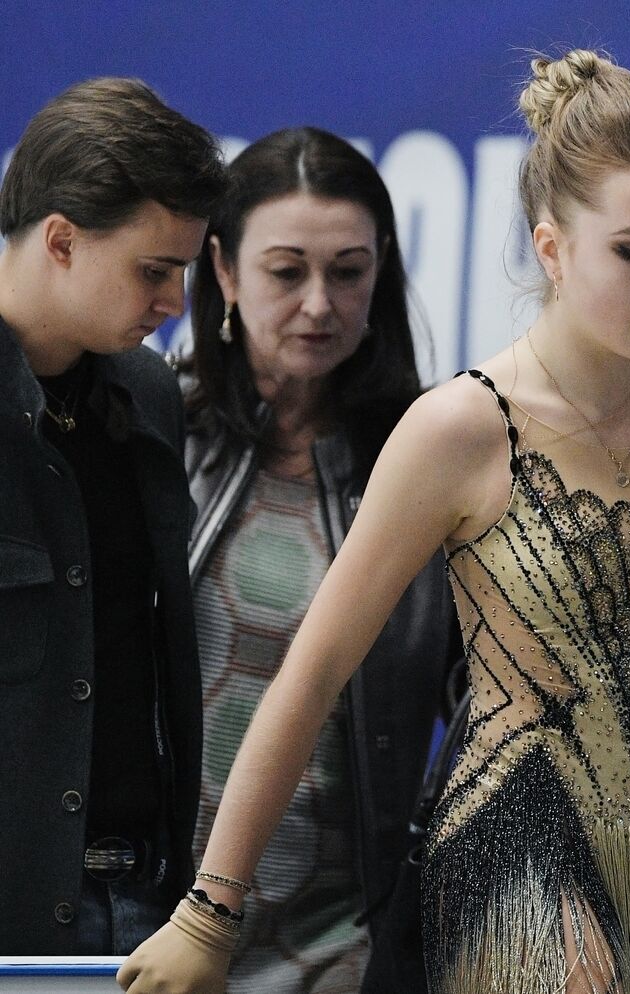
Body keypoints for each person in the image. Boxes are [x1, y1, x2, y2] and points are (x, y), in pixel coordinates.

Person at [119, 50, 630, 994]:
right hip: (516, 867)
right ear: (551, 245)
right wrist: (211, 913)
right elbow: (313, 670)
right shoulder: (461, 427)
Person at [180, 127, 463, 992]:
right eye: (286, 270)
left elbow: (490, 707)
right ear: (224, 270)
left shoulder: (437, 461)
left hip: (348, 946)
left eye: (348, 271)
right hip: (162, 925)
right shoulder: (154, 434)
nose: (318, 303)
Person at [0, 78, 223, 954]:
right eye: (153, 270)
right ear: (60, 239)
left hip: (145, 904)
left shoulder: (148, 390)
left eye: (183, 273)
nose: (174, 303)